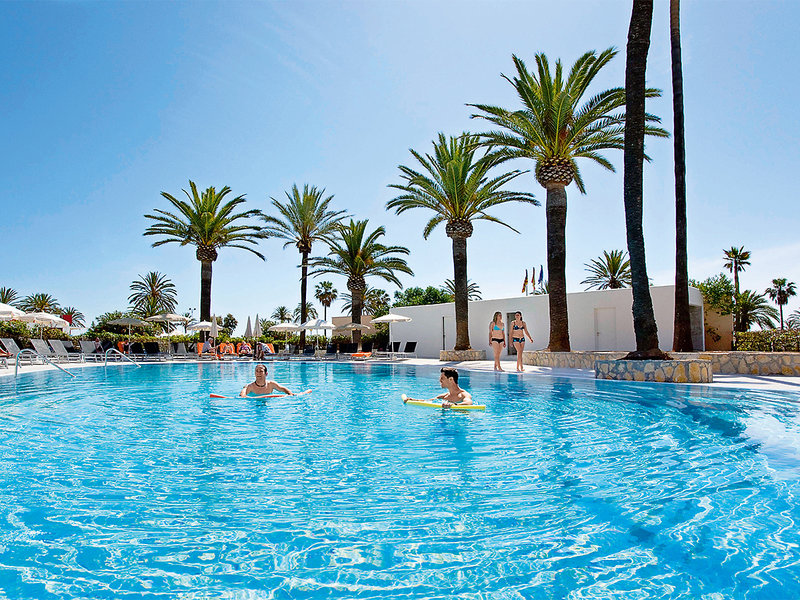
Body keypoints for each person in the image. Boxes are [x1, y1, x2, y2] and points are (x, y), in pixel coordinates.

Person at [403, 367, 472, 408]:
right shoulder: (444, 396)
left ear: (451, 379)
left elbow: (469, 403)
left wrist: (453, 405)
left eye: (442, 378)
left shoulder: (463, 394)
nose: (440, 380)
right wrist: (412, 400)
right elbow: (428, 401)